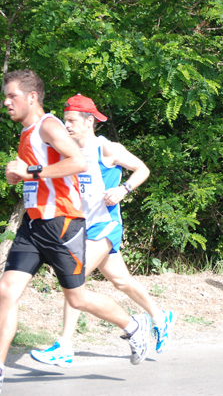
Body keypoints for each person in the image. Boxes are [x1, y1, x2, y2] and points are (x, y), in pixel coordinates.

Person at [0, 70, 150, 393]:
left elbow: (79, 162)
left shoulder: (48, 125)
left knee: (78, 298)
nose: (6, 102)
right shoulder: (27, 132)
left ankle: (133, 326)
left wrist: (31, 172)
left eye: (12, 96)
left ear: (31, 98)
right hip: (33, 224)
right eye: (5, 96)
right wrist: (22, 177)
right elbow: (38, 175)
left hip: (63, 224)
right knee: (6, 292)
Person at [30, 94, 176, 367]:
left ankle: (64, 345)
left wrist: (123, 189)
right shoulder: (67, 149)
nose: (67, 125)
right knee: (121, 281)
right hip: (81, 226)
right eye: (65, 120)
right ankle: (159, 316)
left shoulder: (107, 149)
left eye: (72, 120)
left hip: (105, 225)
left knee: (75, 278)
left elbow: (142, 169)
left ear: (89, 122)